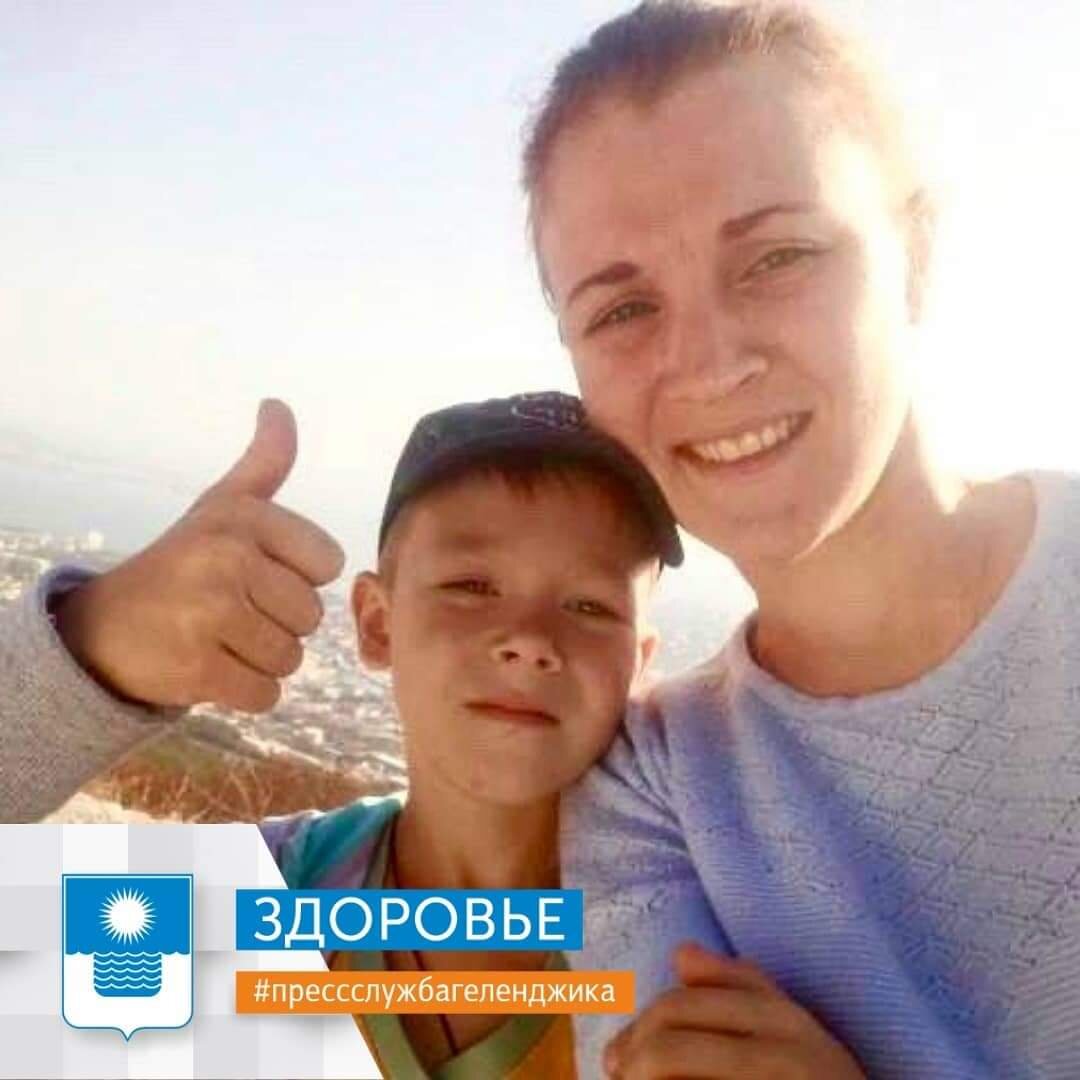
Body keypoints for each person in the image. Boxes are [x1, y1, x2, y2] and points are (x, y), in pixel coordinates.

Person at [520, 2, 1079, 1078]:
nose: (709, 362)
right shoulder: (655, 790)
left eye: (778, 256)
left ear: (915, 257)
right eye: (623, 311)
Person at [1, 390, 682, 1079]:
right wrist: (92, 647)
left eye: (590, 605)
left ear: (639, 663)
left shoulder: (695, 954)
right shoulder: (264, 897)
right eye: (472, 585)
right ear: (378, 623)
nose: (530, 640)